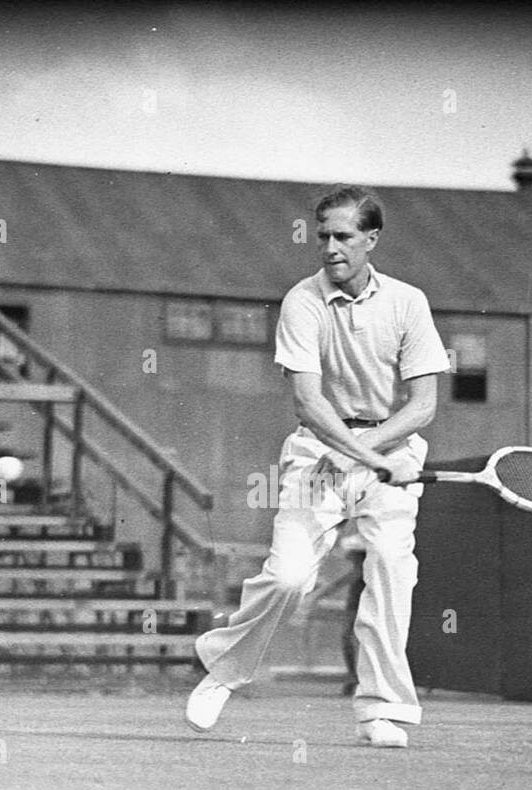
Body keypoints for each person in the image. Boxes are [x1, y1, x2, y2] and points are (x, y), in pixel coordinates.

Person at [185, 185, 450, 748]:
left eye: (344, 236)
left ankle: (382, 710)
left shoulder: (409, 302)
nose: (330, 247)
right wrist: (365, 456)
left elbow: (423, 405)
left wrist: (377, 454)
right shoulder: (301, 301)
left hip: (392, 449)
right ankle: (224, 667)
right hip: (318, 452)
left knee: (389, 567)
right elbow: (308, 402)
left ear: (371, 240)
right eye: (322, 235)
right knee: (288, 577)